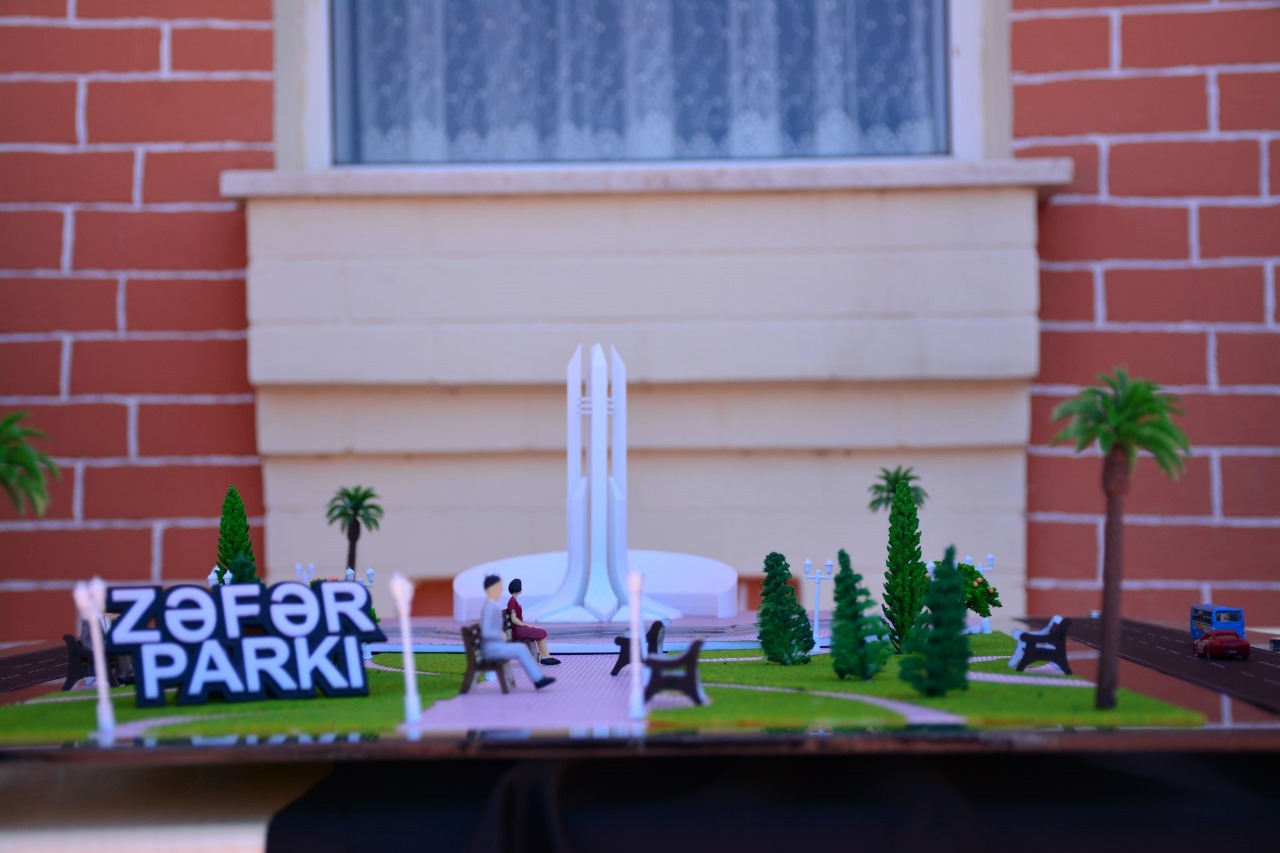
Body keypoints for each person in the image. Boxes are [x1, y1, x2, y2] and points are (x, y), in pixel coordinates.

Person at [480, 574, 555, 690]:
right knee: (523, 647)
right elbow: (486, 631)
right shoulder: (491, 606)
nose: (501, 590)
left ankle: (539, 676)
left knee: (523, 648)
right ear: (491, 589)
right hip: (493, 647)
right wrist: (500, 634)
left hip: (495, 644)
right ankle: (538, 678)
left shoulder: (493, 605)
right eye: (499, 587)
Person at [507, 578, 560, 665]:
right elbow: (514, 619)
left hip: (519, 628)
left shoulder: (513, 600)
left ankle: (546, 656)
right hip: (518, 630)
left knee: (540, 631)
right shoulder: (512, 602)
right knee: (540, 632)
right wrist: (525, 625)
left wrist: (526, 626)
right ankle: (544, 657)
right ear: (519, 588)